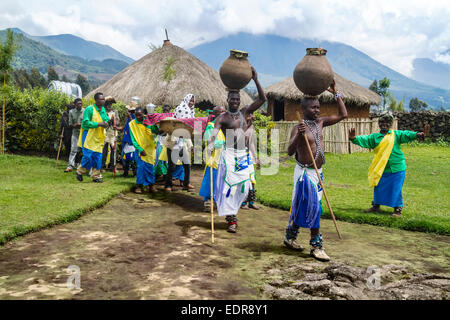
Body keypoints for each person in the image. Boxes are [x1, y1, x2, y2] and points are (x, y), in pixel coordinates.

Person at [283, 81, 347, 262]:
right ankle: (316, 246)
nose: (317, 111)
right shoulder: (298, 127)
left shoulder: (320, 122)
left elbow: (343, 114)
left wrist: (336, 94)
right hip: (305, 174)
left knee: (303, 206)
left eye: (318, 107)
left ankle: (290, 237)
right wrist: (299, 136)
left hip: (318, 172)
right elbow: (289, 151)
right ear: (304, 110)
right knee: (313, 208)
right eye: (313, 108)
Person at [207, 67, 266, 233]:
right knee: (228, 189)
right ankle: (231, 219)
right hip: (229, 155)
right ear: (227, 100)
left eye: (237, 99)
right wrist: (210, 145)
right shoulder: (222, 117)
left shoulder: (245, 112)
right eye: (232, 99)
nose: (235, 101)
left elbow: (262, 99)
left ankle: (233, 212)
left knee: (245, 187)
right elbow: (214, 133)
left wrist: (255, 79)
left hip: (243, 156)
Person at [349, 111, 425, 217]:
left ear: (390, 124)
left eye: (387, 122)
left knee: (396, 188)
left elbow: (407, 134)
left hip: (397, 168)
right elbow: (365, 139)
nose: (384, 124)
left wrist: (417, 135)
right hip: (381, 168)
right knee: (378, 186)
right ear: (379, 123)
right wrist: (354, 138)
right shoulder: (374, 137)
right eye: (382, 122)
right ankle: (376, 206)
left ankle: (398, 209)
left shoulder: (396, 135)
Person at [164, 94, 195, 192]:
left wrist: (191, 145)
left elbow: (188, 131)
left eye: (193, 101)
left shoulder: (191, 112)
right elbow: (173, 127)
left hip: (182, 144)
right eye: (190, 100)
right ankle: (168, 185)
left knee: (187, 164)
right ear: (186, 100)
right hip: (173, 143)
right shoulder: (180, 109)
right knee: (172, 166)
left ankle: (186, 183)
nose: (191, 103)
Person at [76, 93, 109, 183]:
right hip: (88, 135)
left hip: (98, 136)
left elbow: (105, 119)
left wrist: (106, 123)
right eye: (101, 99)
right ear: (96, 100)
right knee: (88, 156)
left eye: (103, 99)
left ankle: (96, 176)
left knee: (97, 157)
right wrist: (99, 124)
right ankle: (79, 171)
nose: (103, 101)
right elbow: (85, 123)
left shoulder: (102, 109)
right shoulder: (89, 109)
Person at [199, 106, 226, 212]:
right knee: (211, 179)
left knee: (220, 180)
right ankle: (208, 201)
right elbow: (210, 142)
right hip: (213, 158)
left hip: (223, 158)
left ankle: (217, 200)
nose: (223, 114)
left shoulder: (224, 127)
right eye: (221, 112)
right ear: (215, 114)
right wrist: (224, 143)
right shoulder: (210, 127)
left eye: (224, 112)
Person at [129, 107, 160, 194]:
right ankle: (139, 185)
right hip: (140, 150)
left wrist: (153, 124)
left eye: (140, 115)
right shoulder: (132, 124)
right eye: (136, 115)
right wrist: (139, 149)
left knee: (150, 167)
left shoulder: (149, 122)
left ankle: (151, 185)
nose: (138, 117)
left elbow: (156, 131)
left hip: (150, 149)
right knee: (140, 168)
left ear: (144, 114)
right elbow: (133, 139)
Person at [241, 113, 261, 210]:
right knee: (243, 179)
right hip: (240, 155)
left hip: (248, 155)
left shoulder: (251, 126)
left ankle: (251, 201)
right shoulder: (238, 124)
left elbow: (251, 142)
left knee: (252, 179)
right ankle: (243, 201)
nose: (251, 116)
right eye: (249, 114)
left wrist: (256, 157)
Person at [65, 98, 84, 172]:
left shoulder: (85, 111)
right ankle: (70, 166)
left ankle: (83, 167)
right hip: (75, 134)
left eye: (81, 103)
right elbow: (69, 125)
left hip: (84, 134)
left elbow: (88, 122)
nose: (80, 105)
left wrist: (81, 124)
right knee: (73, 150)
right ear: (75, 104)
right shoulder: (71, 112)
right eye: (78, 103)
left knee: (84, 151)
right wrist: (75, 125)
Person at [121, 101, 139, 177]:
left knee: (134, 159)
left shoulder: (136, 117)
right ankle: (125, 172)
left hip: (133, 141)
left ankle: (135, 173)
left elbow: (135, 126)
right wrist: (117, 128)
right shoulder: (128, 117)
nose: (128, 111)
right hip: (126, 141)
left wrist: (130, 117)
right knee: (125, 158)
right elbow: (124, 126)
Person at [102, 96, 120, 171]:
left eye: (110, 104)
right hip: (105, 133)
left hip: (113, 133)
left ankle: (113, 167)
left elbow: (118, 122)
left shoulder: (115, 112)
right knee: (104, 150)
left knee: (114, 150)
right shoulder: (103, 112)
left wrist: (114, 121)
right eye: (108, 104)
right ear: (105, 104)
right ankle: (102, 166)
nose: (109, 105)